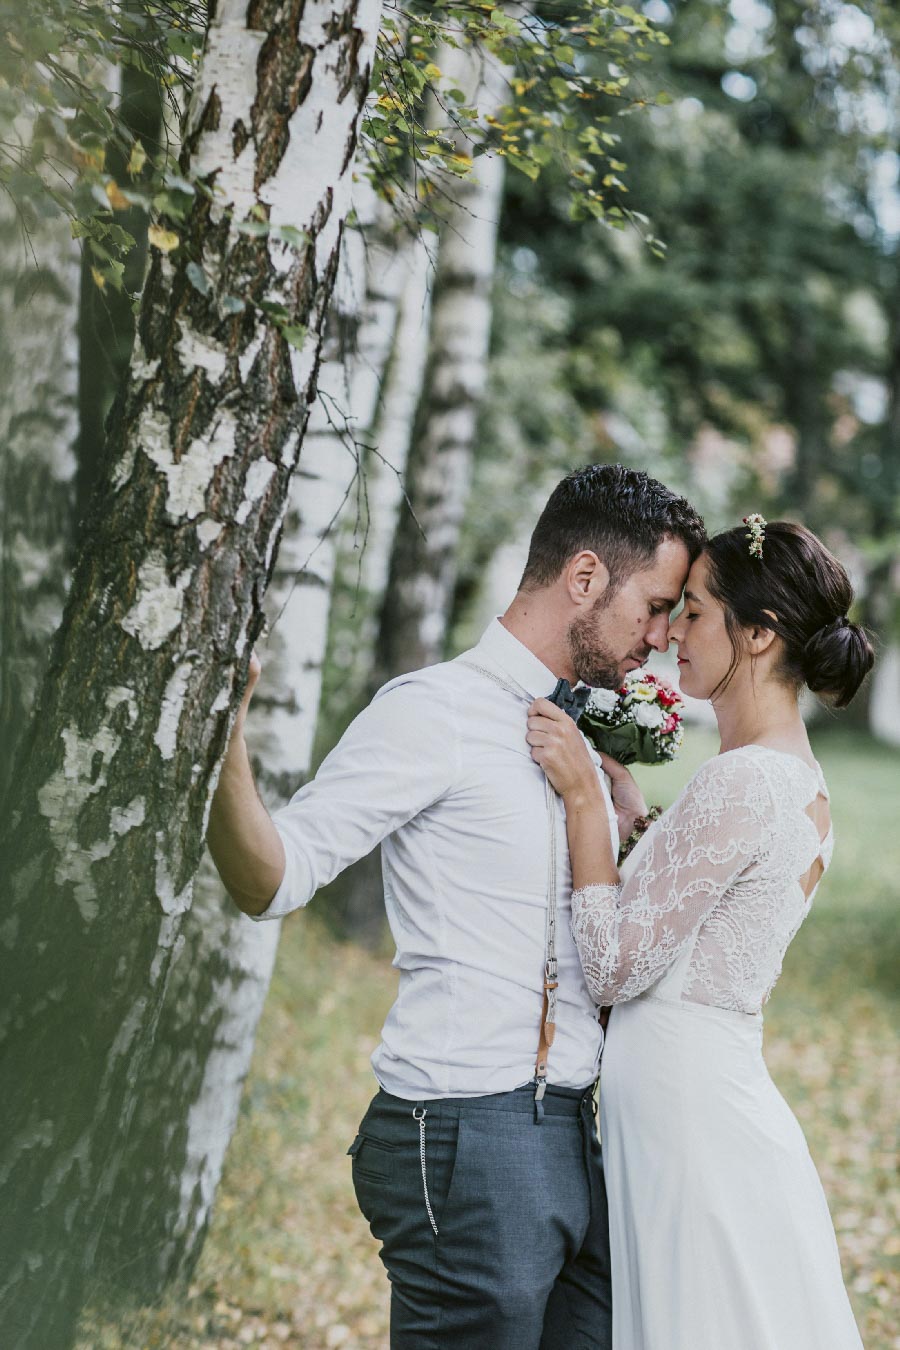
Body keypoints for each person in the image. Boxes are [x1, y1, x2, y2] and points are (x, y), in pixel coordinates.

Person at [206, 464, 706, 1349]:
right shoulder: (431, 713)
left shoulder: (583, 740)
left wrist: (622, 812)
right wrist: (219, 739)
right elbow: (273, 877)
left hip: (576, 1132)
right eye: (656, 606)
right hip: (468, 1128)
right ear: (584, 578)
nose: (663, 639)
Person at [528, 516, 874, 1350]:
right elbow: (705, 919)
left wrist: (581, 798)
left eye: (696, 611)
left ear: (757, 636)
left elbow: (612, 969)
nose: (672, 632)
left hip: (692, 1129)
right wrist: (640, 827)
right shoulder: (793, 776)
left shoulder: (743, 780)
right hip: (700, 1105)